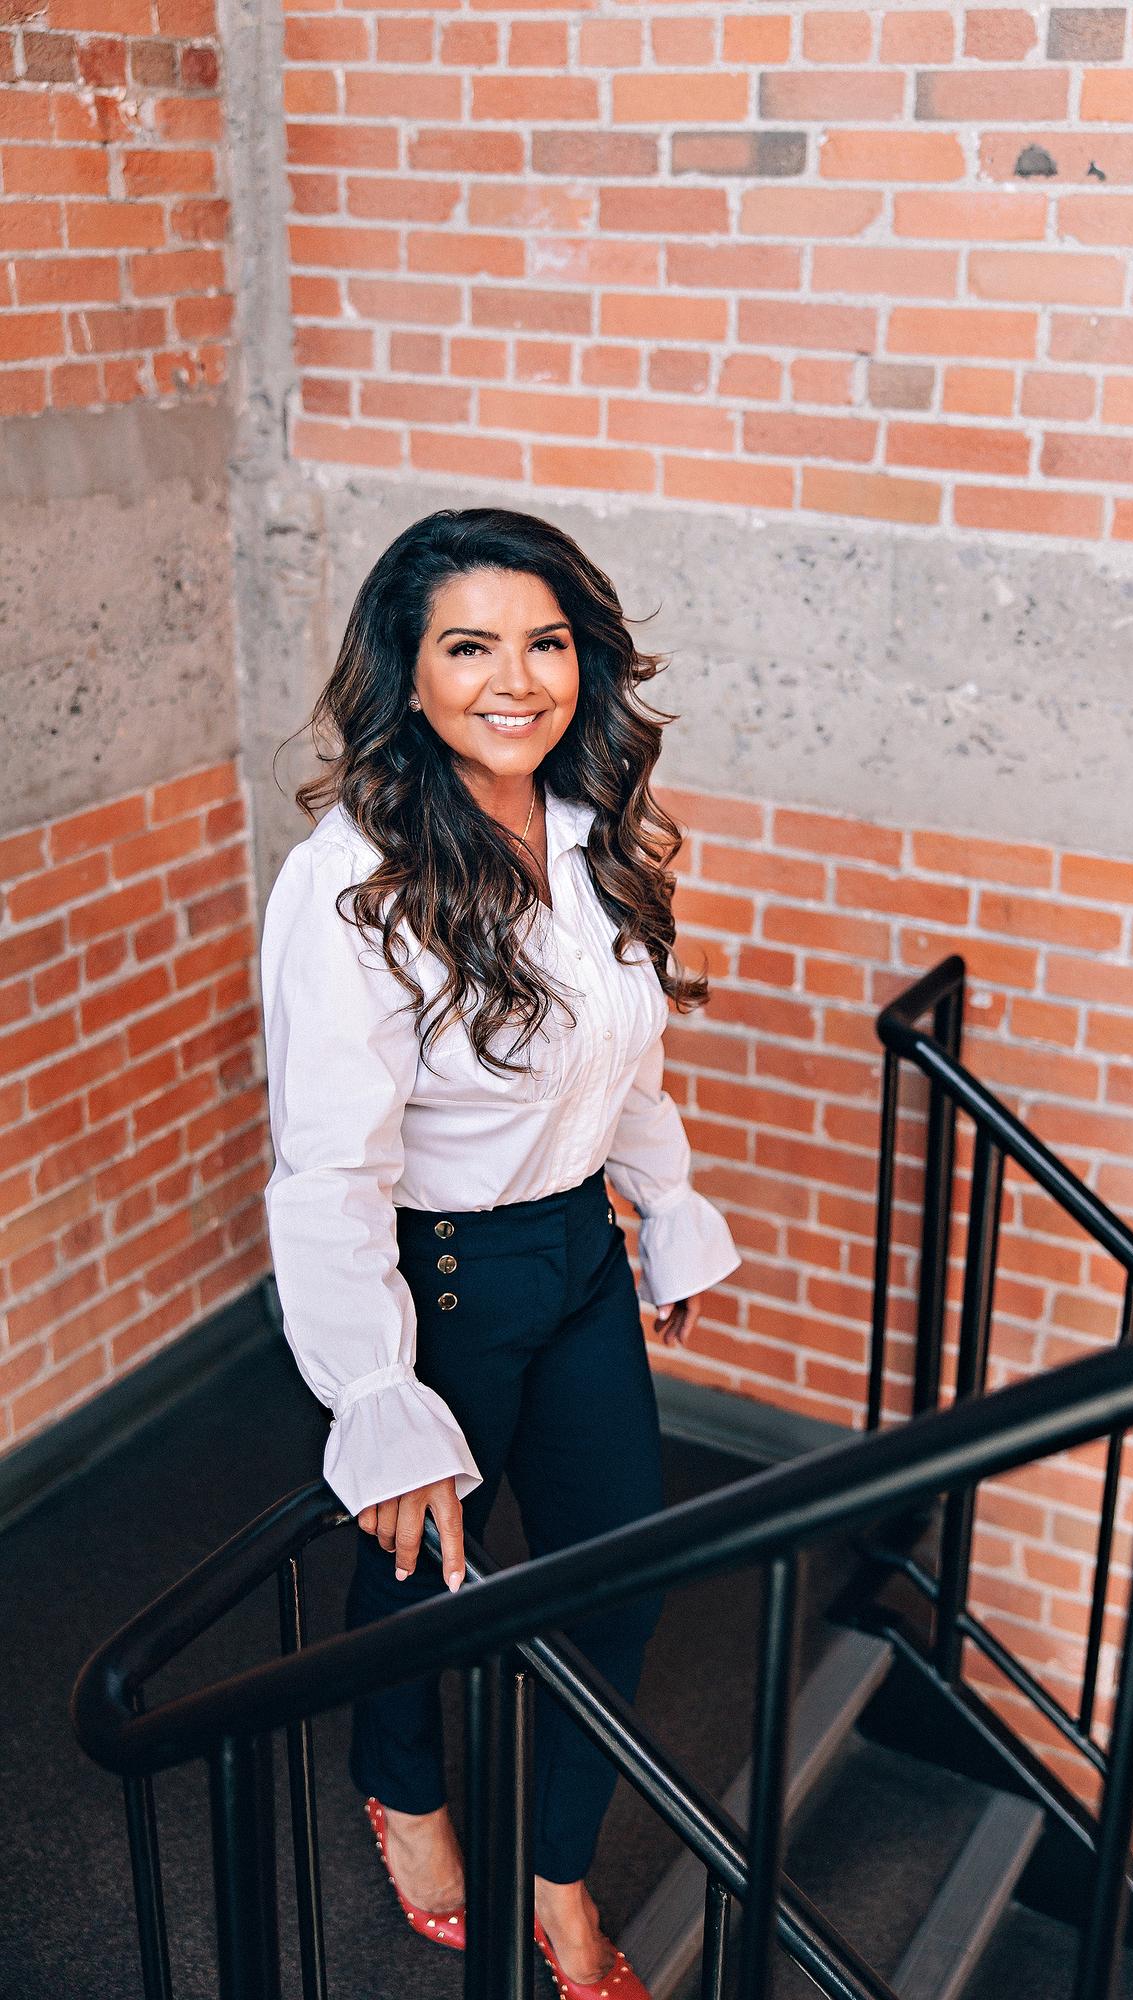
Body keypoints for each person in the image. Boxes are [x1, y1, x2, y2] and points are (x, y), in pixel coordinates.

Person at [259, 506, 742, 1998]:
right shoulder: (351, 883)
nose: (515, 678)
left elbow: (627, 1069)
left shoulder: (594, 829)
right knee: (423, 1579)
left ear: (581, 662)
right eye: (469, 646)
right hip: (441, 1277)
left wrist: (663, 1214)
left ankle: (561, 1877)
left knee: (616, 1579)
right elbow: (330, 1166)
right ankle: (405, 1790)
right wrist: (376, 1394)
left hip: (573, 1256)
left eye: (544, 642)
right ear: (408, 679)